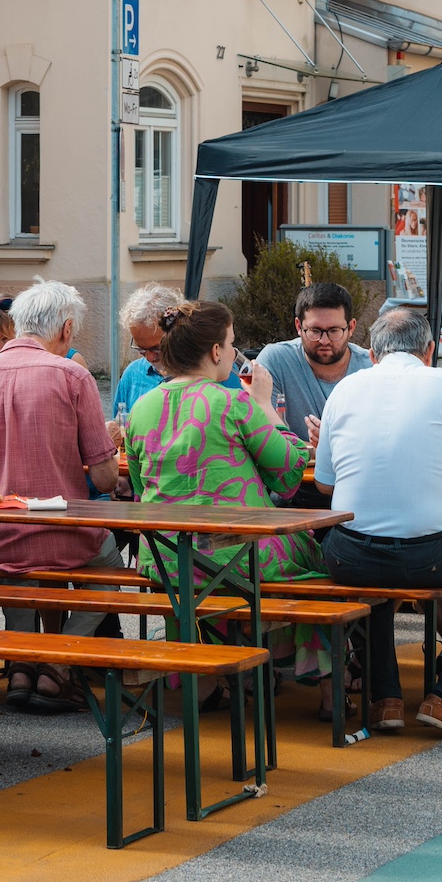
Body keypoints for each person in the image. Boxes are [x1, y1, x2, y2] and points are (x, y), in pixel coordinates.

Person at [316, 307, 442, 738]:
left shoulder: (345, 389)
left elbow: (324, 486)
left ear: (372, 353)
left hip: (350, 554)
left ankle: (384, 700)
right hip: (432, 555)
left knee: (372, 585)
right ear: (430, 349)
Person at [123, 299, 337, 704]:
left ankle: (218, 677)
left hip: (166, 561)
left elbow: (139, 486)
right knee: (315, 556)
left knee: (240, 565)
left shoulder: (141, 408)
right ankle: (328, 688)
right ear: (217, 352)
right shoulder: (233, 404)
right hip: (231, 557)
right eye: (232, 343)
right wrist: (264, 405)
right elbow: (289, 474)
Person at [0, 279, 119, 712]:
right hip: (61, 533)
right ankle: (58, 664)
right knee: (113, 572)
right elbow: (104, 477)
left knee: (18, 564)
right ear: (64, 329)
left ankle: (21, 663)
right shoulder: (74, 376)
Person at [256, 281, 372, 507]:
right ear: (299, 326)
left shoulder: (370, 366)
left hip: (359, 488)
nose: (325, 341)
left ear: (352, 327)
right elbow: (262, 438)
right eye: (315, 331)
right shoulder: (276, 360)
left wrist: (326, 446)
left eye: (334, 331)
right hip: (295, 491)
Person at [110, 282, 240, 427]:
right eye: (141, 349)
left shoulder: (220, 367)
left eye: (157, 349)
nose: (149, 357)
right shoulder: (133, 374)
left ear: (179, 334)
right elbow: (120, 426)